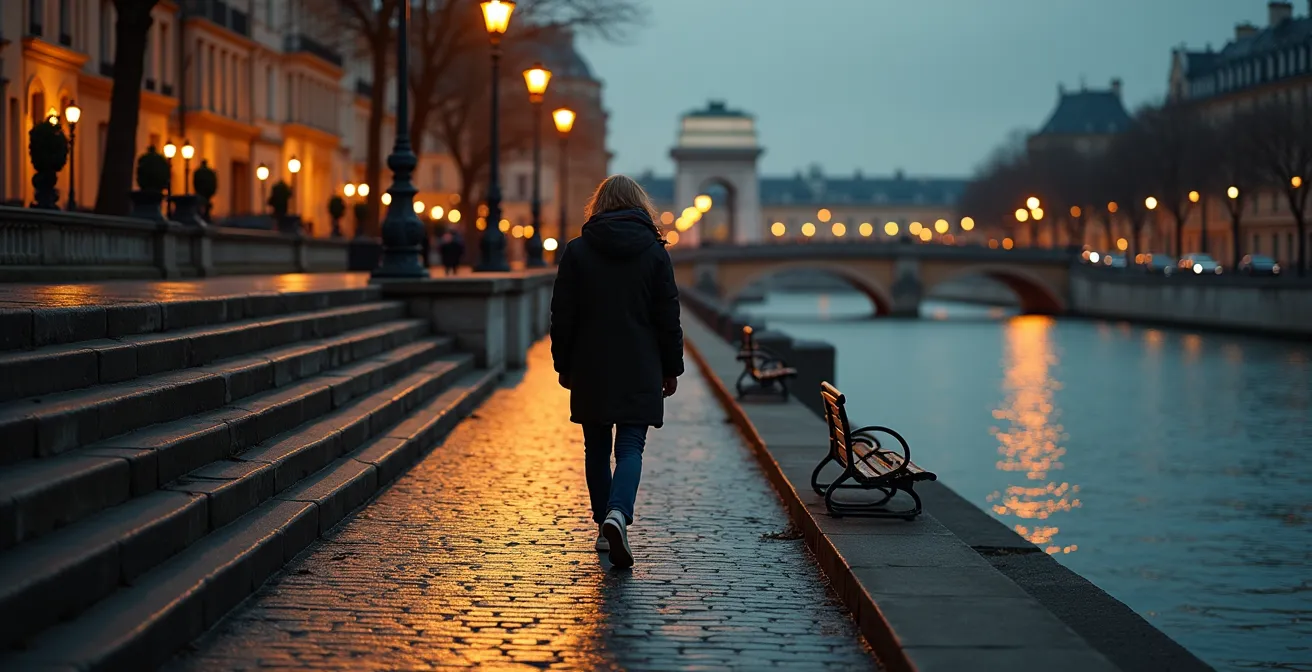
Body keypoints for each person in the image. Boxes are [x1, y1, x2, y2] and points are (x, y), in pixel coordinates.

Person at [550, 174, 684, 569]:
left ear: (599, 205)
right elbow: (667, 317)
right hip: (640, 363)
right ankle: (618, 514)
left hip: (591, 365)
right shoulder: (656, 253)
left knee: (596, 449)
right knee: (630, 448)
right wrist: (671, 367)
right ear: (640, 206)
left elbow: (562, 317)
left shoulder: (577, 251)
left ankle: (602, 527)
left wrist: (564, 364)